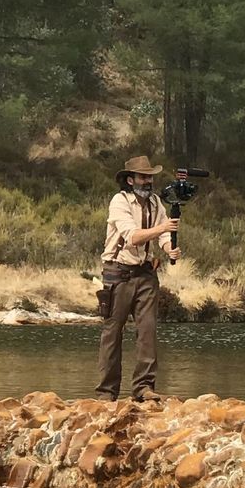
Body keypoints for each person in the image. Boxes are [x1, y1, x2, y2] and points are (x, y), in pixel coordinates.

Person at [95, 155, 179, 402]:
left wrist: (169, 248)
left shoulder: (155, 202)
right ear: (130, 180)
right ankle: (106, 392)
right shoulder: (119, 201)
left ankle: (144, 388)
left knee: (147, 331)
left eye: (150, 177)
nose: (148, 181)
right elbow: (132, 236)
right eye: (143, 177)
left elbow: (164, 233)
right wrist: (163, 229)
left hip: (145, 273)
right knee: (112, 333)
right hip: (118, 273)